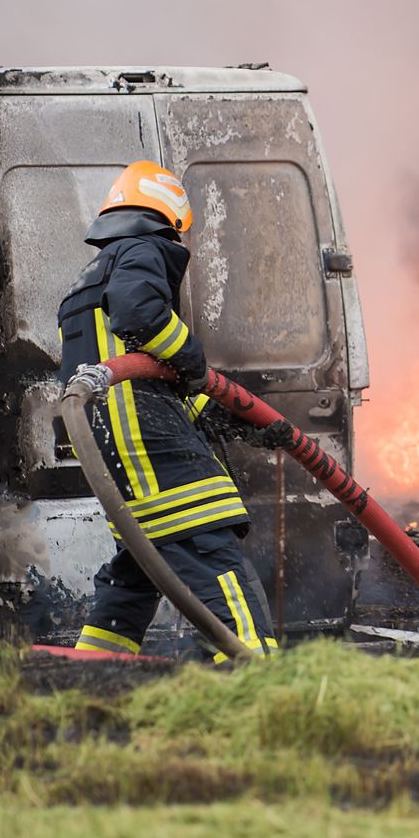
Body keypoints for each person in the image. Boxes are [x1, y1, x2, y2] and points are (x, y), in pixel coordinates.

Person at [58, 160, 282, 659]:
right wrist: (196, 362)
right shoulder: (142, 249)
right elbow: (142, 318)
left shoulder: (88, 280)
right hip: (154, 453)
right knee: (213, 556)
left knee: (133, 581)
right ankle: (260, 687)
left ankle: (89, 677)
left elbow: (153, 377)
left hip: (120, 458)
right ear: (172, 219)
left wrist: (233, 414)